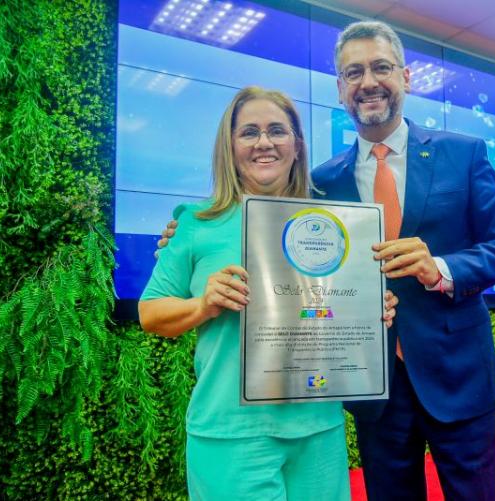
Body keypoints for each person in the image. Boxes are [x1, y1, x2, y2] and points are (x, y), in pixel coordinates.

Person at [158, 21, 495, 501]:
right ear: (340, 89)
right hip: (372, 388)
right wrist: (182, 236)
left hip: (458, 379)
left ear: (405, 77)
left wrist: (441, 268)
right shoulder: (321, 183)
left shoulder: (462, 154)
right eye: (353, 73)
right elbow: (272, 237)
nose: (368, 82)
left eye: (381, 68)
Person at [140, 86, 397, 501]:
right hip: (231, 434)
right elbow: (151, 314)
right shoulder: (196, 222)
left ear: (296, 146)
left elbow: (331, 308)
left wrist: (368, 307)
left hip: (319, 430)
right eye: (249, 132)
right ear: (230, 146)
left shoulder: (332, 225)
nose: (264, 142)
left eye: (277, 131)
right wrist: (203, 305)